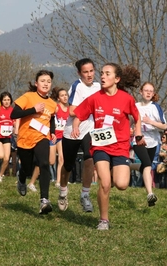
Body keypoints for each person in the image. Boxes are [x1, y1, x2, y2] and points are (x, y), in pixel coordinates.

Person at [71, 63, 143, 230]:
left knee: (122, 184)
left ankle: (119, 168)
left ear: (116, 79)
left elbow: (137, 117)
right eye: (102, 73)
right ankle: (104, 220)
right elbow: (78, 115)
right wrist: (76, 127)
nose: (102, 77)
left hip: (120, 147)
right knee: (105, 184)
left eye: (107, 74)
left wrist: (138, 134)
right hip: (100, 146)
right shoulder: (95, 98)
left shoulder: (126, 99)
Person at [10, 70, 57, 214]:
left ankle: (44, 200)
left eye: (48, 81)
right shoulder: (28, 97)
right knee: (28, 168)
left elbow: (52, 119)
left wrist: (53, 132)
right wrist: (33, 109)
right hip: (25, 138)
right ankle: (22, 177)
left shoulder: (52, 104)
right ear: (36, 83)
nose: (46, 84)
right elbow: (14, 114)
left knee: (44, 163)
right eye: (43, 81)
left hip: (42, 137)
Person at [58, 58, 101, 213]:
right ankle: (63, 192)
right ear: (79, 73)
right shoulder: (78, 86)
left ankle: (85, 195)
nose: (89, 75)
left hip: (91, 130)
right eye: (85, 72)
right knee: (68, 165)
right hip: (73, 131)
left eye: (91, 71)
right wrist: (89, 107)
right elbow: (71, 111)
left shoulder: (98, 86)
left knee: (90, 160)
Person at [135, 81, 167, 203]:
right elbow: (128, 122)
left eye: (151, 91)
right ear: (141, 92)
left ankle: (127, 167)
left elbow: (164, 126)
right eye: (146, 90)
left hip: (152, 141)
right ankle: (150, 194)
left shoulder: (155, 107)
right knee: (148, 165)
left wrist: (150, 122)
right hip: (138, 140)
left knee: (144, 166)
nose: (148, 93)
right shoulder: (135, 106)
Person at [0, 91, 19, 182]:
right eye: (4, 100)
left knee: (6, 159)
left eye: (8, 100)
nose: (7, 102)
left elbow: (16, 121)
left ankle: (0, 175)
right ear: (1, 101)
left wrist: (15, 127)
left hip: (7, 137)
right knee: (1, 156)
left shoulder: (12, 110)